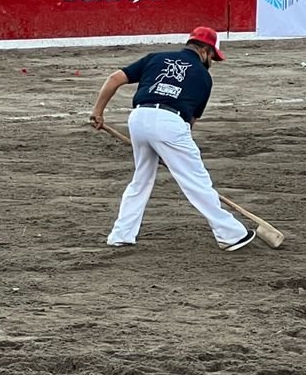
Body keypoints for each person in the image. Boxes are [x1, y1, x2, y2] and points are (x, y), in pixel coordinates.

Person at [88, 26, 256, 252]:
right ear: (205, 51)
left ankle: (121, 235)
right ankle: (231, 234)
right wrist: (172, 152)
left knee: (140, 180)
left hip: (138, 118)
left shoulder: (155, 58)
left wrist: (98, 112)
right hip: (170, 122)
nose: (212, 62)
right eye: (213, 57)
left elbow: (115, 78)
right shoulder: (203, 77)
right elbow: (190, 122)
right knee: (196, 181)